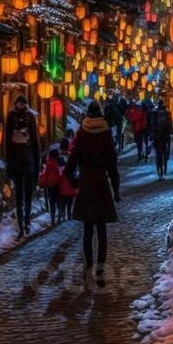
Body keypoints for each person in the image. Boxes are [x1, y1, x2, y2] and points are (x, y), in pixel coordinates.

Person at [64, 101, 120, 287]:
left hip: (87, 184)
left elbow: (71, 163)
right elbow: (112, 164)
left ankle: (88, 270)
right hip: (102, 185)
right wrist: (116, 188)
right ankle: (101, 271)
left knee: (88, 232)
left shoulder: (83, 134)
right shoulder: (105, 134)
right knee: (101, 231)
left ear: (88, 115)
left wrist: (72, 180)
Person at [5, 95, 40, 238]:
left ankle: (24, 221)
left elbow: (34, 141)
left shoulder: (27, 117)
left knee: (24, 194)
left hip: (24, 162)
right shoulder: (18, 117)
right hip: (22, 162)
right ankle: (23, 222)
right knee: (22, 194)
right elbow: (8, 141)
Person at [150, 98, 173, 179]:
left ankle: (160, 173)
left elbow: (152, 125)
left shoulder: (154, 113)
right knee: (165, 153)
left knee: (158, 155)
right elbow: (170, 125)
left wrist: (152, 135)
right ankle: (164, 169)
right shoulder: (167, 113)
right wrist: (171, 132)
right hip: (165, 137)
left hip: (157, 137)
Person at [39, 147, 62, 226]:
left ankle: (53, 219)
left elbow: (45, 175)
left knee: (52, 202)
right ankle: (60, 216)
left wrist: (44, 183)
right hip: (57, 185)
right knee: (58, 201)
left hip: (50, 186)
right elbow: (59, 175)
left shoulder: (48, 164)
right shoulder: (57, 164)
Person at [141, 97, 154, 163]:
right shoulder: (150, 112)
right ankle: (146, 153)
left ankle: (144, 154)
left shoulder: (142, 113)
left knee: (144, 141)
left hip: (143, 128)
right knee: (147, 141)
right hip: (148, 128)